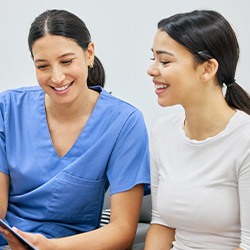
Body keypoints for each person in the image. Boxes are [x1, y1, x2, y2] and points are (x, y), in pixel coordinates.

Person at [0, 9, 150, 250]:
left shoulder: (124, 122)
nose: (57, 77)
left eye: (66, 61)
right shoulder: (7, 108)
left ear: (89, 54)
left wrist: (51, 247)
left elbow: (122, 231)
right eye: (43, 66)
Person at [145, 10, 250, 250]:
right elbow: (162, 223)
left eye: (165, 61)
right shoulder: (163, 132)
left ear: (207, 69)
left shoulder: (245, 140)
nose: (152, 70)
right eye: (152, 59)